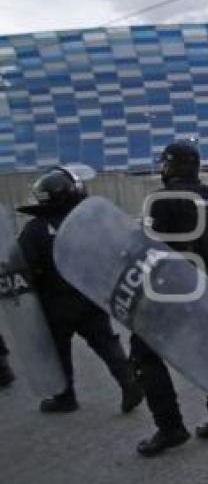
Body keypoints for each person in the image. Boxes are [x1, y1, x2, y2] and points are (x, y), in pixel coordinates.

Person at [132, 140, 208, 457]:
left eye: (164, 163)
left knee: (145, 354)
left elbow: (146, 248)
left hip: (174, 290)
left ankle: (170, 427)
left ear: (171, 165)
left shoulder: (161, 200)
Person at [17, 167, 143, 414]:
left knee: (58, 351)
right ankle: (129, 383)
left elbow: (24, 266)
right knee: (106, 343)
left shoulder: (36, 229)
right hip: (90, 295)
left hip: (54, 302)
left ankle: (65, 397)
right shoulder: (91, 224)